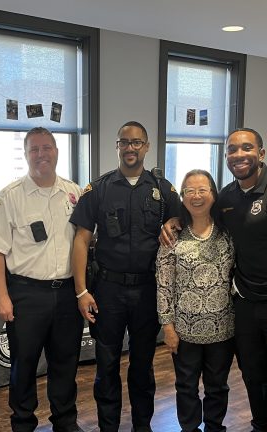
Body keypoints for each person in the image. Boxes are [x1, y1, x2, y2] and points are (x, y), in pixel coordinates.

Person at [161, 127, 267, 431]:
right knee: (257, 385)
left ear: (261, 153)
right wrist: (175, 218)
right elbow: (199, 212)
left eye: (246, 148)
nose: (238, 155)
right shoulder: (228, 197)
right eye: (232, 150)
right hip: (245, 309)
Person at [70, 121, 180, 432]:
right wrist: (81, 291)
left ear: (146, 147)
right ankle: (108, 426)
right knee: (106, 366)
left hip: (147, 290)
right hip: (108, 290)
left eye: (136, 142)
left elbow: (182, 217)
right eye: (124, 142)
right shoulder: (99, 188)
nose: (130, 148)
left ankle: (142, 426)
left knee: (142, 366)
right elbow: (81, 238)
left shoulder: (163, 189)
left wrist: (172, 222)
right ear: (117, 146)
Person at [0, 127, 85, 432]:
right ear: (26, 155)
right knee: (24, 365)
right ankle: (23, 423)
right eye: (34, 149)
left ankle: (65, 421)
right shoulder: (9, 198)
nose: (42, 154)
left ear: (56, 151)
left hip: (67, 292)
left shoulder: (74, 193)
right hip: (27, 294)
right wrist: (1, 296)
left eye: (47, 148)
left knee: (65, 363)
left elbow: (84, 241)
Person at [156, 169, 235, 432]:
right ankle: (189, 428)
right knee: (186, 387)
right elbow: (164, 284)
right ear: (182, 196)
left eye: (203, 190)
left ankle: (215, 427)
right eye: (190, 190)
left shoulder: (229, 232)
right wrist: (167, 326)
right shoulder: (172, 234)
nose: (197, 196)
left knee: (217, 387)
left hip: (222, 329)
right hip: (184, 331)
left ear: (214, 193)